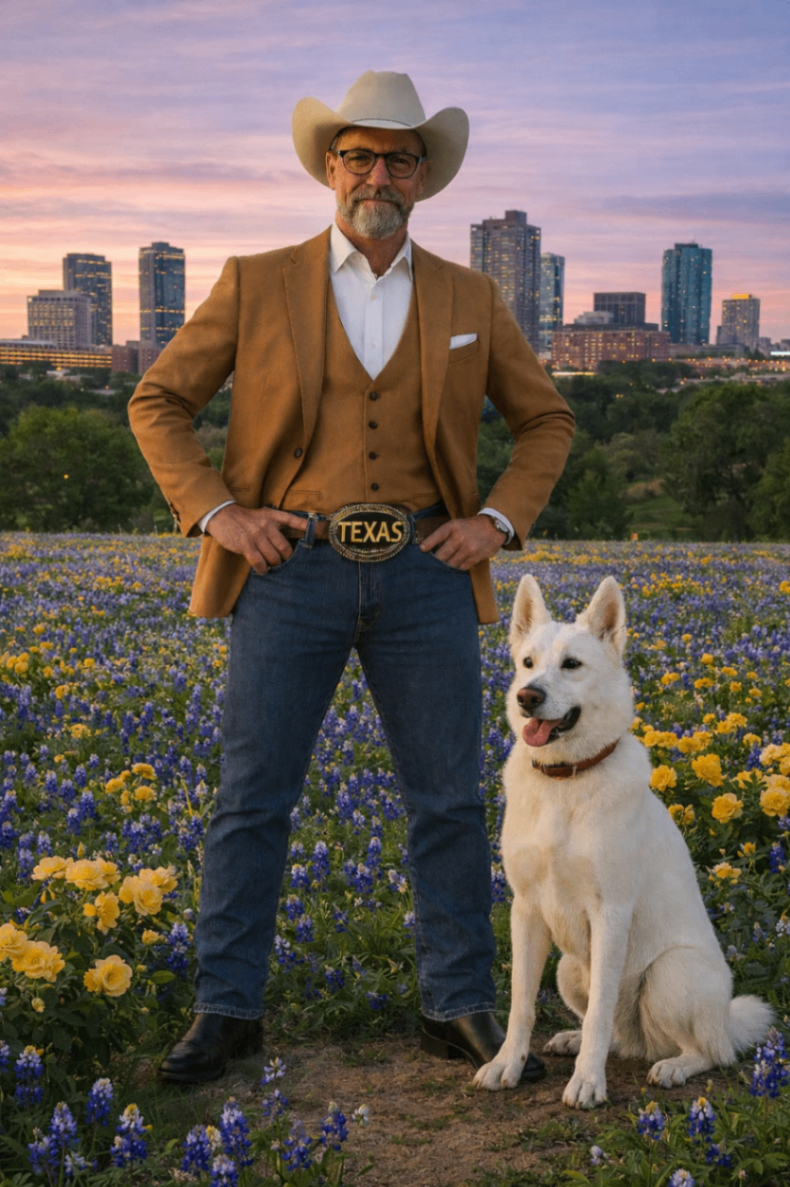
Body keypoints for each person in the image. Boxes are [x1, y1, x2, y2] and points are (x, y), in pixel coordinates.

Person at [129, 70, 574, 1085]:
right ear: (330, 168)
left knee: (448, 801)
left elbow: (545, 418)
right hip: (288, 568)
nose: (378, 173)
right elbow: (158, 401)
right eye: (360, 155)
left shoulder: (472, 295)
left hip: (424, 569)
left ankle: (455, 1001)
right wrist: (220, 512)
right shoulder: (256, 279)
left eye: (399, 158)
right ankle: (226, 1008)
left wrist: (495, 520)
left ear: (424, 178)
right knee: (252, 796)